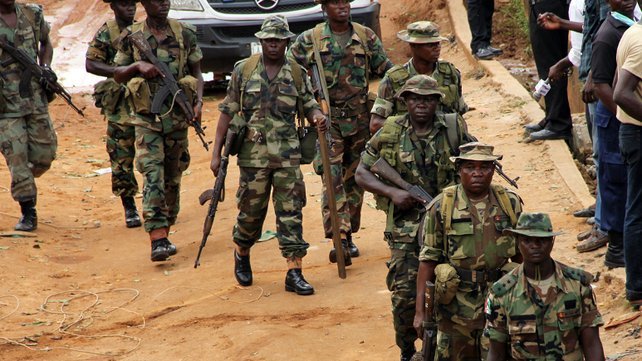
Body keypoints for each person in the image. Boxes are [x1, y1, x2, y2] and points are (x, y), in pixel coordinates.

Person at [355, 75, 470, 361]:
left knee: (452, 288)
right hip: (406, 227)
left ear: (437, 102)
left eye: (428, 99)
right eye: (415, 99)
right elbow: (361, 172)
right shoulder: (391, 130)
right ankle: (408, 352)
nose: (421, 104)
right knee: (405, 298)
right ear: (405, 101)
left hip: (447, 222)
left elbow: (473, 165)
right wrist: (392, 192)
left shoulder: (452, 128)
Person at [210, 15, 326, 295]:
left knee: (291, 212)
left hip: (288, 155)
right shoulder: (244, 70)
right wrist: (216, 154)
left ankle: (294, 271)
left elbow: (309, 103)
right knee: (251, 214)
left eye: (278, 40)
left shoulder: (297, 73)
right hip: (253, 157)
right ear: (261, 42)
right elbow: (227, 111)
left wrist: (317, 116)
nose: (273, 45)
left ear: (286, 42)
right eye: (268, 40)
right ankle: (242, 252)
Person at [289, 0, 393, 264]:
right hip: (328, 120)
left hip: (361, 120)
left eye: (345, 1)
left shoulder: (364, 35)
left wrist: (383, 107)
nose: (342, 7)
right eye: (335, 2)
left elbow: (388, 73)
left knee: (356, 179)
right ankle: (340, 236)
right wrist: (310, 107)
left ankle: (350, 232)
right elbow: (290, 76)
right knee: (332, 178)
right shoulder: (309, 40)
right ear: (325, 8)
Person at [414, 142, 522, 361]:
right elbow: (428, 260)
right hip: (454, 304)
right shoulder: (442, 206)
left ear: (493, 170)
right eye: (470, 167)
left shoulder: (509, 203)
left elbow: (521, 256)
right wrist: (420, 312)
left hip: (499, 300)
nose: (477, 173)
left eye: (484, 168)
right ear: (459, 170)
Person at [113, 0, 203, 262]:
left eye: (167, 0)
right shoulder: (132, 36)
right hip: (146, 120)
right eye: (156, 0)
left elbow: (197, 72)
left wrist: (197, 103)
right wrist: (136, 67)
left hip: (176, 119)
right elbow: (118, 74)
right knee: (152, 174)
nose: (163, 4)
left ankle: (166, 227)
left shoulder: (184, 32)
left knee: (173, 179)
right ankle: (157, 238)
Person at [485, 212, 606, 361]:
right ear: (517, 242)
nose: (535, 246)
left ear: (552, 241)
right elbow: (496, 351)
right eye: (527, 240)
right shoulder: (502, 293)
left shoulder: (577, 285)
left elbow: (592, 343)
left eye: (541, 240)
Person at [582, 0, 637, 266]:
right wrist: (623, 114)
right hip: (615, 114)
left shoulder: (631, 25)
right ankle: (616, 249)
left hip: (624, 112)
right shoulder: (608, 34)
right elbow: (602, 86)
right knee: (615, 181)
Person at [0, 0, 57, 232]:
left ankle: (24, 177)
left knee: (46, 153)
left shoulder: (32, 13)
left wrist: (45, 67)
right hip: (4, 104)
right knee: (17, 157)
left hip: (34, 96)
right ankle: (28, 210)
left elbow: (46, 44)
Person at [86, 0, 141, 229]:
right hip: (120, 104)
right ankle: (129, 205)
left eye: (132, 4)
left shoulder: (143, 30)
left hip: (144, 101)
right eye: (124, 4)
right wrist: (118, 72)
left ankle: (159, 202)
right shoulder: (107, 32)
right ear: (113, 7)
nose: (130, 8)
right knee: (121, 155)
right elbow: (90, 64)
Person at [369, 21, 468, 134]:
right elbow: (375, 124)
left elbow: (460, 117)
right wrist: (415, 126)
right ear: (414, 46)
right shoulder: (394, 78)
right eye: (430, 45)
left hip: (444, 144)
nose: (437, 48)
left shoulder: (450, 74)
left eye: (438, 43)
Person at [613, 0, 642, 306]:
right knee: (637, 212)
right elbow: (621, 93)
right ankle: (636, 287)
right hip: (637, 132)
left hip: (630, 130)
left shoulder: (632, 32)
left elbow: (614, 80)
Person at [526, 0, 573, 141]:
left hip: (550, 5)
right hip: (541, 5)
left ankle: (559, 123)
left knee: (551, 64)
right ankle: (552, 116)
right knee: (545, 64)